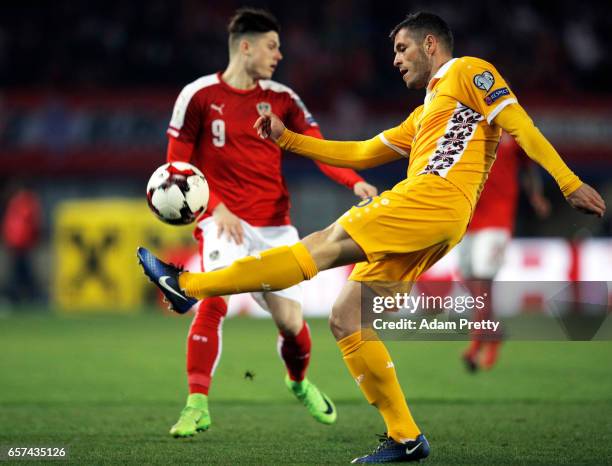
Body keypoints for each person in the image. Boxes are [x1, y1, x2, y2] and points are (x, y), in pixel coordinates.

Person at [138, 12, 606, 463]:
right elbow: (362, 152)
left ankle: (186, 286)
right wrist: (288, 140)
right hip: (440, 218)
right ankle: (406, 438)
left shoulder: (467, 71)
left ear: (430, 45)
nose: (396, 59)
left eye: (402, 49)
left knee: (321, 244)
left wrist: (568, 182)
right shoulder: (426, 114)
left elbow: (519, 122)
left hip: (431, 198)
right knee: (347, 318)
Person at [160, 8, 377, 438]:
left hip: (275, 226)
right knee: (214, 299)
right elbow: (176, 163)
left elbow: (319, 149)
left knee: (291, 324)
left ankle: (297, 382)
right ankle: (196, 404)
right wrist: (216, 208)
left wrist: (354, 182)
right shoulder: (198, 96)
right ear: (246, 46)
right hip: (221, 224)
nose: (279, 54)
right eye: (272, 46)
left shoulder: (282, 98)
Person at [459, 133, 551, 372]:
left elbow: (530, 168)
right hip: (466, 218)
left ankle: (475, 346)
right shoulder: (465, 128)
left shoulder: (511, 132)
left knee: (483, 286)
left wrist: (535, 195)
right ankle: (494, 332)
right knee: (468, 280)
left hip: (497, 221)